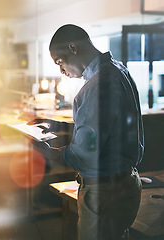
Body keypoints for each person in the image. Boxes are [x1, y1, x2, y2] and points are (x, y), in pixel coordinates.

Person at [31, 24, 144, 240]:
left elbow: (83, 156)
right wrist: (61, 128)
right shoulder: (119, 70)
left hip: (104, 194)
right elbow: (106, 131)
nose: (61, 71)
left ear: (73, 47)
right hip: (125, 184)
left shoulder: (97, 85)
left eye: (59, 62)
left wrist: (44, 151)